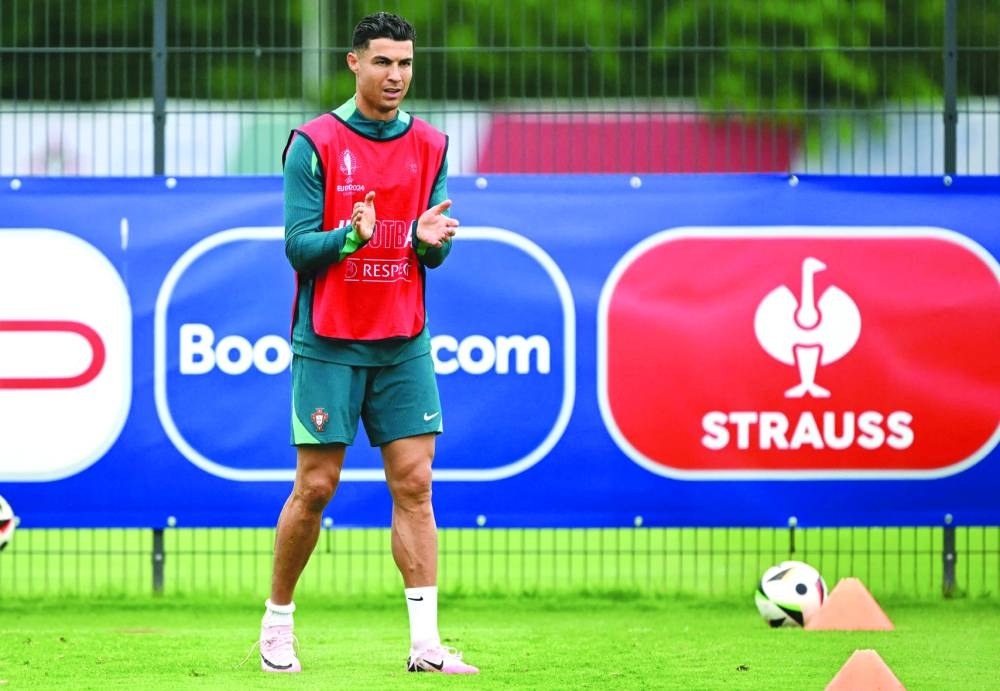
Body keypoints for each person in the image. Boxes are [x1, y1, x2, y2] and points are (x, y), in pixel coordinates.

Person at [256, 11, 478, 675]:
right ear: (354, 63)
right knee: (316, 486)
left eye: (406, 63)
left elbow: (428, 249)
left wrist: (427, 242)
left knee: (415, 482)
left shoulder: (432, 144)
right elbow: (298, 246)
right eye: (383, 62)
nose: (396, 76)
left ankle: (426, 645)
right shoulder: (315, 143)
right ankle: (278, 621)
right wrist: (349, 239)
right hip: (328, 339)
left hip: (403, 339)